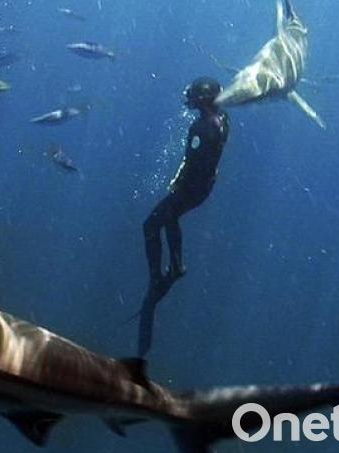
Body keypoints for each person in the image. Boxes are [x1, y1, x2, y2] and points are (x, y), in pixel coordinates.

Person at [137, 77, 230, 356]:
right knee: (169, 218)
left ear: (202, 100)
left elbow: (192, 161)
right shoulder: (224, 118)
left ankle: (160, 274)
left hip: (192, 189)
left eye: (192, 97)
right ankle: (176, 265)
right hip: (204, 188)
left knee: (151, 224)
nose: (188, 100)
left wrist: (179, 184)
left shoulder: (200, 128)